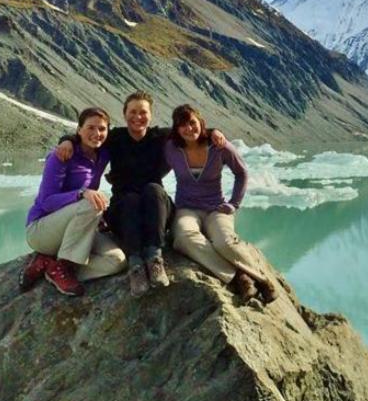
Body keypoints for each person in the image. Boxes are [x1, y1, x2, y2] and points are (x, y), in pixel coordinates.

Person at [55, 91, 224, 297]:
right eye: (132, 112)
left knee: (153, 189)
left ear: (150, 115)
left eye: (143, 112)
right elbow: (86, 137)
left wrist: (214, 131)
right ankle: (135, 265)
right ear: (125, 114)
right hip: (123, 208)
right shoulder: (115, 137)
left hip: (156, 207)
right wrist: (66, 141)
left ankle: (154, 258)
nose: (138, 117)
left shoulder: (160, 137)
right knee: (130, 198)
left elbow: (190, 131)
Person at [165, 104, 277, 303]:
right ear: (176, 128)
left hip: (216, 207)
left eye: (192, 123)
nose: (188, 128)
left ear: (201, 123)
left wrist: (234, 203)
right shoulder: (171, 148)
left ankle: (260, 278)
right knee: (183, 238)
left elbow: (241, 172)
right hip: (186, 208)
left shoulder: (219, 146)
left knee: (224, 242)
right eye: (182, 125)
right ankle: (239, 277)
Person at [21, 107, 126, 296]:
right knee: (91, 202)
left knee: (116, 261)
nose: (97, 134)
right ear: (79, 130)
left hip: (73, 230)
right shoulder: (62, 156)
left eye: (102, 129)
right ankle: (64, 265)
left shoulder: (102, 154)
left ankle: (51, 266)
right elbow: (46, 202)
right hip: (41, 230)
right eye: (90, 128)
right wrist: (81, 193)